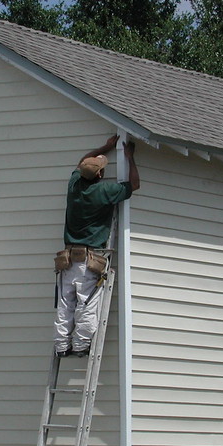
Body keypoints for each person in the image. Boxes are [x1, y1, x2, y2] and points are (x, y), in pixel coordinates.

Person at [53, 134, 140, 357]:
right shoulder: (104, 191)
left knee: (65, 305)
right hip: (89, 260)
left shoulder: (74, 187)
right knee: (87, 303)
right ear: (100, 174)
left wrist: (104, 147)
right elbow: (134, 185)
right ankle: (81, 345)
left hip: (68, 259)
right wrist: (129, 157)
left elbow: (81, 162)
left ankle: (62, 346)